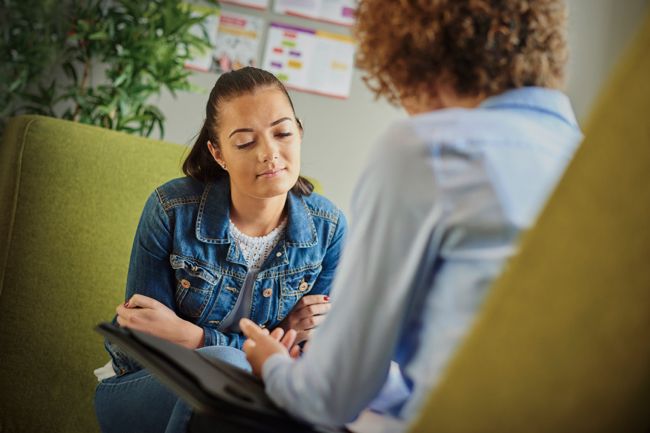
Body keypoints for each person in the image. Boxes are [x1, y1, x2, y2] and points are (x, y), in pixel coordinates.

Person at [235, 0, 583, 431]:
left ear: (414, 54)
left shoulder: (429, 148)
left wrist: (272, 366)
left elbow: (326, 398)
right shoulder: (587, 162)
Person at [93, 66, 347, 433]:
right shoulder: (170, 210)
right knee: (228, 368)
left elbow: (306, 364)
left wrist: (193, 337)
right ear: (218, 152)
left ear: (300, 133)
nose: (270, 153)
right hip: (143, 389)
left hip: (253, 404)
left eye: (283, 132)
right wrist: (263, 342)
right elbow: (146, 344)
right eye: (245, 142)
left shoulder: (329, 229)